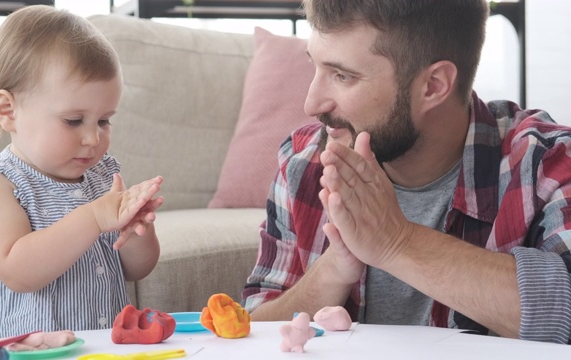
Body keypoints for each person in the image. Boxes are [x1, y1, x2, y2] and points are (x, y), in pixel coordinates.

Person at [242, 0, 571, 344]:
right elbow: (249, 331)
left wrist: (397, 241)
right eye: (316, 67)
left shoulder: (545, 161)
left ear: (433, 85)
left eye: (342, 75)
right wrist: (333, 269)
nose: (311, 104)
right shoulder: (304, 159)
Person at [0, 5, 164, 349]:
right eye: (73, 121)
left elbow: (136, 269)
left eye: (103, 121)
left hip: (97, 351)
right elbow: (18, 271)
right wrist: (95, 217)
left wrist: (137, 230)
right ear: (9, 111)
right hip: (21, 354)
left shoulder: (102, 177)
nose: (93, 139)